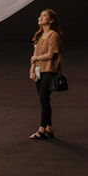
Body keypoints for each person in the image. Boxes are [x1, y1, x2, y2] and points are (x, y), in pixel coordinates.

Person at [28, 8, 62, 140]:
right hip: (38, 71)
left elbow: (51, 55)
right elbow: (34, 55)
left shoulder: (54, 35)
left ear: (51, 20)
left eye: (44, 16)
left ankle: (42, 129)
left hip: (49, 70)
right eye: (40, 15)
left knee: (44, 99)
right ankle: (49, 128)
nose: (40, 18)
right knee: (44, 100)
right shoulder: (39, 35)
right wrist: (31, 69)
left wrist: (36, 59)